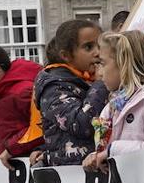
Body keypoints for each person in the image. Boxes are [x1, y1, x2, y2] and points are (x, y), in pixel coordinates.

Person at [83, 31, 144, 167]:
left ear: (124, 64)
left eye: (102, 63)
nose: (99, 72)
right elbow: (105, 149)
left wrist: (112, 151)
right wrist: (97, 157)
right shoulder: (113, 105)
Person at [29, 19, 108, 166]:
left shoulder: (87, 79)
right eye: (88, 47)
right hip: (73, 174)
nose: (97, 52)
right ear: (66, 55)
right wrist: (100, 84)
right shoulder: (54, 87)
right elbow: (82, 124)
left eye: (100, 45)